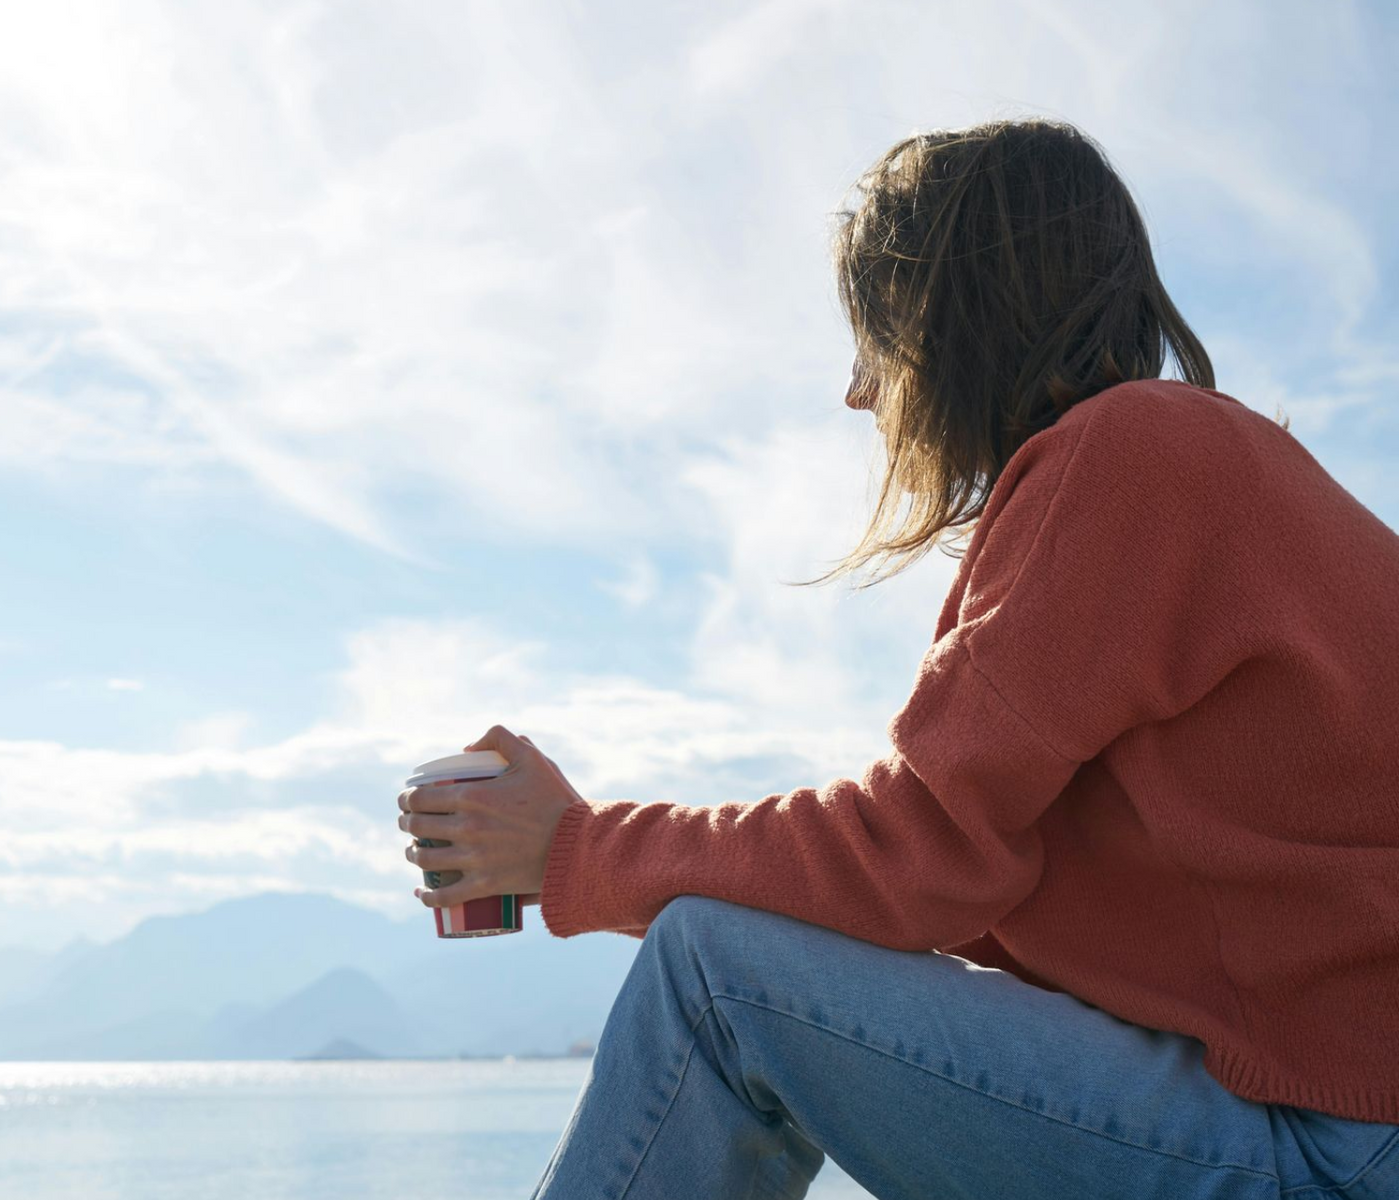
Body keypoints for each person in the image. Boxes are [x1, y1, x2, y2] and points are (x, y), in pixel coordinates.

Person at [394, 118, 1399, 1199]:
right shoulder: (1219, 468)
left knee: (712, 971)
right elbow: (965, 885)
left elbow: (920, 854)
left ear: (947, 315)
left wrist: (575, 850)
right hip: (1340, 1112)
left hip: (1330, 1144)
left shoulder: (1134, 456)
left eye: (874, 334)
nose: (860, 391)